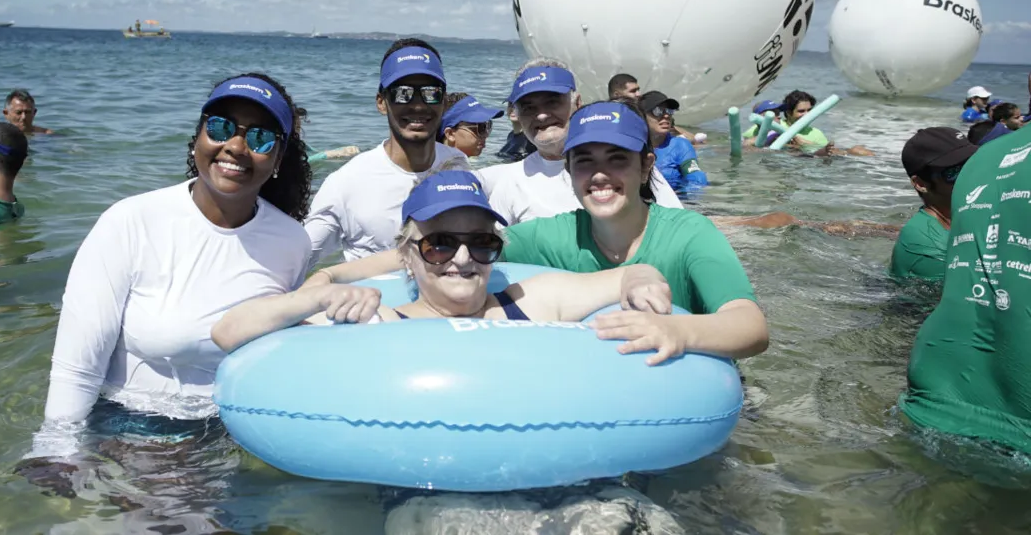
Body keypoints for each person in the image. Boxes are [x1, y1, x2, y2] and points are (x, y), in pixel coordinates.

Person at [309, 101, 769, 357]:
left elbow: (750, 326)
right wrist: (331, 277)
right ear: (568, 171)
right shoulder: (548, 236)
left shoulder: (689, 233)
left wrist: (682, 334)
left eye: (618, 160)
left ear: (646, 166)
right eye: (585, 161)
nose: (600, 175)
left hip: (686, 380)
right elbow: (442, 251)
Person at [23, 73, 313, 463]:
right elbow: (78, 367)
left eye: (261, 138)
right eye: (221, 127)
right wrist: (58, 453)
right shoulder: (130, 221)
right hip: (127, 430)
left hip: (229, 437)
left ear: (278, 159)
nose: (236, 146)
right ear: (197, 138)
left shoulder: (292, 242)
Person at [217, 168, 765, 367]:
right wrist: (316, 294)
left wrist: (643, 276)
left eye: (481, 244)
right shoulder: (375, 320)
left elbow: (626, 275)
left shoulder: (530, 299)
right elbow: (227, 333)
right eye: (439, 244)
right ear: (408, 252)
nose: (462, 259)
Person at [900, 124, 1031, 456]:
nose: (964, 178)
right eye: (952, 172)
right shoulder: (925, 245)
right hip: (915, 329)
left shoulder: (984, 173)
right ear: (921, 183)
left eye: (967, 165)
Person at [304, 38, 467, 267]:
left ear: (443, 101)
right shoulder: (346, 183)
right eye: (403, 93)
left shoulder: (457, 165)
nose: (418, 105)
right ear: (381, 102)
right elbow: (299, 262)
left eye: (431, 93)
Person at [477, 60, 682, 227]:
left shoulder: (627, 166)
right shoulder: (511, 181)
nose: (541, 115)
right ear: (517, 116)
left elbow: (676, 225)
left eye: (552, 102)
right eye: (528, 107)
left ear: (577, 103)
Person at [889, 128, 978, 282]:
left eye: (973, 163)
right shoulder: (928, 246)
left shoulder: (965, 214)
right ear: (921, 184)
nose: (971, 174)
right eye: (954, 171)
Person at [640, 90, 708, 194]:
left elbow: (697, 178)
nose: (666, 115)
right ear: (642, 116)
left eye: (669, 111)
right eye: (658, 111)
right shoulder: (631, 145)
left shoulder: (680, 145)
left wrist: (682, 194)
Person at [437, 93, 503, 158]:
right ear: (450, 134)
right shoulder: (445, 167)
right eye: (480, 128)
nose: (486, 134)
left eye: (487, 125)